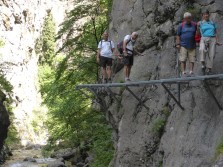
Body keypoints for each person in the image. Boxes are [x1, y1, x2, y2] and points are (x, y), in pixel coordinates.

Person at [198, 10, 222, 75]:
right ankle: (203, 65)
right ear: (202, 15)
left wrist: (217, 41)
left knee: (211, 54)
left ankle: (209, 70)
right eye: (204, 14)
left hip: (212, 38)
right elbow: (197, 32)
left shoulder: (212, 23)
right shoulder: (200, 23)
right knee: (202, 49)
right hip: (204, 38)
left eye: (207, 14)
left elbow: (215, 32)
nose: (206, 15)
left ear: (209, 15)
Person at [176, 12, 197, 77]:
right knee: (183, 59)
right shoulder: (181, 25)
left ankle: (191, 72)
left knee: (192, 59)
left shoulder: (194, 25)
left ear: (191, 18)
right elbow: (178, 35)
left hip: (192, 45)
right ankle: (183, 72)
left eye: (189, 18)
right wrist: (178, 44)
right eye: (186, 18)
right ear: (184, 19)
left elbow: (197, 33)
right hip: (183, 45)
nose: (188, 19)